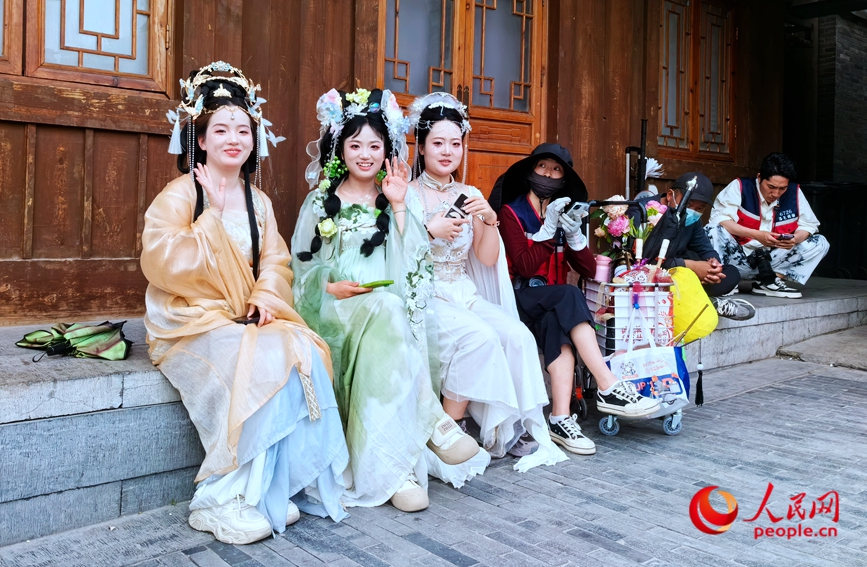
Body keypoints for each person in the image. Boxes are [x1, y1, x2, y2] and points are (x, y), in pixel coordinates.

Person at [141, 62, 349, 545]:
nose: (233, 137)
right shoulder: (181, 194)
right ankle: (221, 496)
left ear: (254, 139)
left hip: (242, 315)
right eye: (221, 129)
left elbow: (276, 263)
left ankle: (275, 485)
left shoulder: (259, 202)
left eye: (242, 128)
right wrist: (210, 217)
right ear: (201, 139)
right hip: (190, 317)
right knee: (263, 355)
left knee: (303, 345)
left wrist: (264, 298)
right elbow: (160, 260)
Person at [291, 88, 485, 514]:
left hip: (382, 310)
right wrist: (330, 287)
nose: (365, 154)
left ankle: (394, 470)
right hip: (332, 312)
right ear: (340, 148)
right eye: (356, 145)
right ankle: (432, 425)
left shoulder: (391, 200)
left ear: (387, 150)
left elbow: (413, 265)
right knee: (389, 311)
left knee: (391, 310)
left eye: (375, 146)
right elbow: (301, 272)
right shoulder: (320, 203)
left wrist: (399, 206)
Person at [489, 143, 662, 456]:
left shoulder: (565, 212)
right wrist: (547, 230)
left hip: (551, 305)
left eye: (556, 170)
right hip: (519, 298)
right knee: (568, 294)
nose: (549, 174)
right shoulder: (510, 211)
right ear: (531, 171)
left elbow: (588, 269)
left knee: (559, 324)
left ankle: (559, 419)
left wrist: (574, 237)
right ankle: (608, 384)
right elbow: (525, 266)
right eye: (543, 167)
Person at [632, 172, 756, 321]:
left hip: (684, 271)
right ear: (670, 195)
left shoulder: (693, 218)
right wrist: (690, 266)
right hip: (652, 271)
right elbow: (644, 259)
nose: (693, 211)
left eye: (700, 208)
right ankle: (710, 303)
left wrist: (712, 265)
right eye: (689, 205)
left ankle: (698, 298)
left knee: (730, 274)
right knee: (666, 280)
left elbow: (704, 246)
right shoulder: (642, 211)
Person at [705, 153, 829, 298]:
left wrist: (795, 239)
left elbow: (809, 225)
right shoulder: (740, 187)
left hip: (773, 259)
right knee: (712, 229)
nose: (776, 193)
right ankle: (723, 280)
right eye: (771, 187)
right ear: (759, 178)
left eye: (782, 188)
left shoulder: (794, 192)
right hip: (738, 259)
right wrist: (757, 235)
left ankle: (770, 281)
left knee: (820, 242)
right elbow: (721, 220)